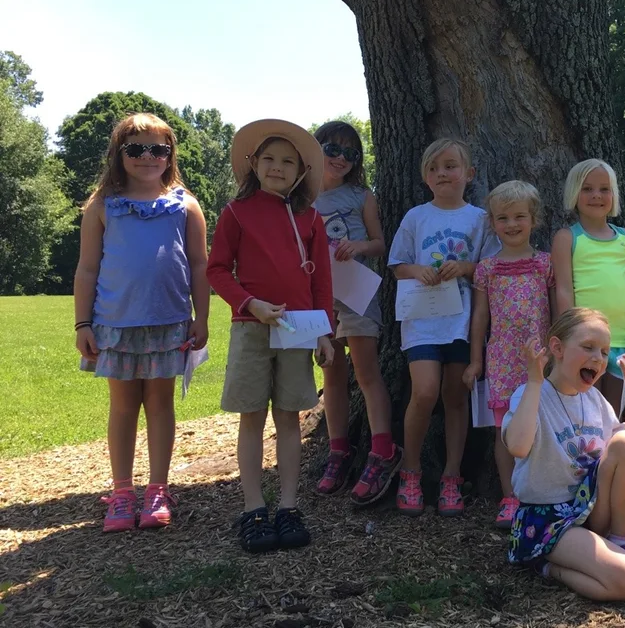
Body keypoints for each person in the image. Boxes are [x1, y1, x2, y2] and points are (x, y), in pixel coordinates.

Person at [74, 113, 209, 533]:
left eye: (158, 149)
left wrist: (200, 318)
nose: (148, 157)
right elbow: (86, 269)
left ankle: (157, 489)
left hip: (169, 323)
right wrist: (82, 324)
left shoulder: (186, 204)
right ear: (120, 154)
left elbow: (201, 266)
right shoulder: (102, 205)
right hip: (115, 325)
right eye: (136, 149)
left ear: (170, 156)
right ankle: (121, 492)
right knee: (123, 407)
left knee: (160, 404)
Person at [207, 118, 335, 552]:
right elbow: (217, 270)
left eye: (287, 161)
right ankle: (253, 507)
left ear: (301, 171)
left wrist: (325, 333)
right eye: (269, 159)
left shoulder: (312, 218)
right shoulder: (235, 212)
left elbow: (322, 283)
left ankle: (288, 505)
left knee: (288, 418)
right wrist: (250, 304)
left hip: (299, 330)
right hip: (251, 328)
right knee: (252, 418)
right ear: (253, 165)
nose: (277, 167)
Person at [504, 308, 625, 600]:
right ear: (557, 348)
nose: (598, 358)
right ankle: (543, 565)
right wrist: (533, 382)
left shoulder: (594, 399)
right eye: (588, 347)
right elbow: (517, 447)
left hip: (590, 506)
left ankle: (622, 541)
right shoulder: (531, 394)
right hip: (547, 519)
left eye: (604, 352)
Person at [388, 138, 496, 517]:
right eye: (433, 168)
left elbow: (491, 267)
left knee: (455, 396)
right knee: (424, 392)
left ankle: (451, 475)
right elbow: (398, 264)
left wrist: (466, 268)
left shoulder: (481, 219)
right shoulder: (416, 217)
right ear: (424, 178)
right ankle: (410, 471)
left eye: (450, 166)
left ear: (469, 174)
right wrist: (417, 269)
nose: (442, 174)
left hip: (463, 322)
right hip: (421, 320)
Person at [312, 120, 401, 505]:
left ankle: (383, 449)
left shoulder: (362, 195)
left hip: (357, 291)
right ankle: (338, 451)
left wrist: (358, 247)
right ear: (315, 150)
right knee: (331, 373)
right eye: (332, 149)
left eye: (351, 153)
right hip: (318, 296)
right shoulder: (300, 197)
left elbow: (380, 243)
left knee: (365, 372)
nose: (341, 159)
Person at [465, 180, 555, 528]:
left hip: (541, 359)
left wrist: (557, 354)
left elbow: (555, 310)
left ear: (534, 219)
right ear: (492, 223)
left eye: (520, 216)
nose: (512, 225)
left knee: (542, 427)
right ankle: (510, 496)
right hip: (501, 359)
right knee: (504, 431)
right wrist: (475, 361)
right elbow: (480, 318)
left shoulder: (544, 264)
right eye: (503, 218)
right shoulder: (487, 269)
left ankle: (543, 493)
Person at [551, 159, 625, 410]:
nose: (596, 195)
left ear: (614, 194)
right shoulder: (567, 238)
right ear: (574, 193)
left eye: (604, 189)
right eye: (587, 189)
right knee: (585, 411)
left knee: (613, 413)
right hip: (583, 343)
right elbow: (563, 290)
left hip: (624, 341)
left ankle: (613, 451)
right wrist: (569, 337)